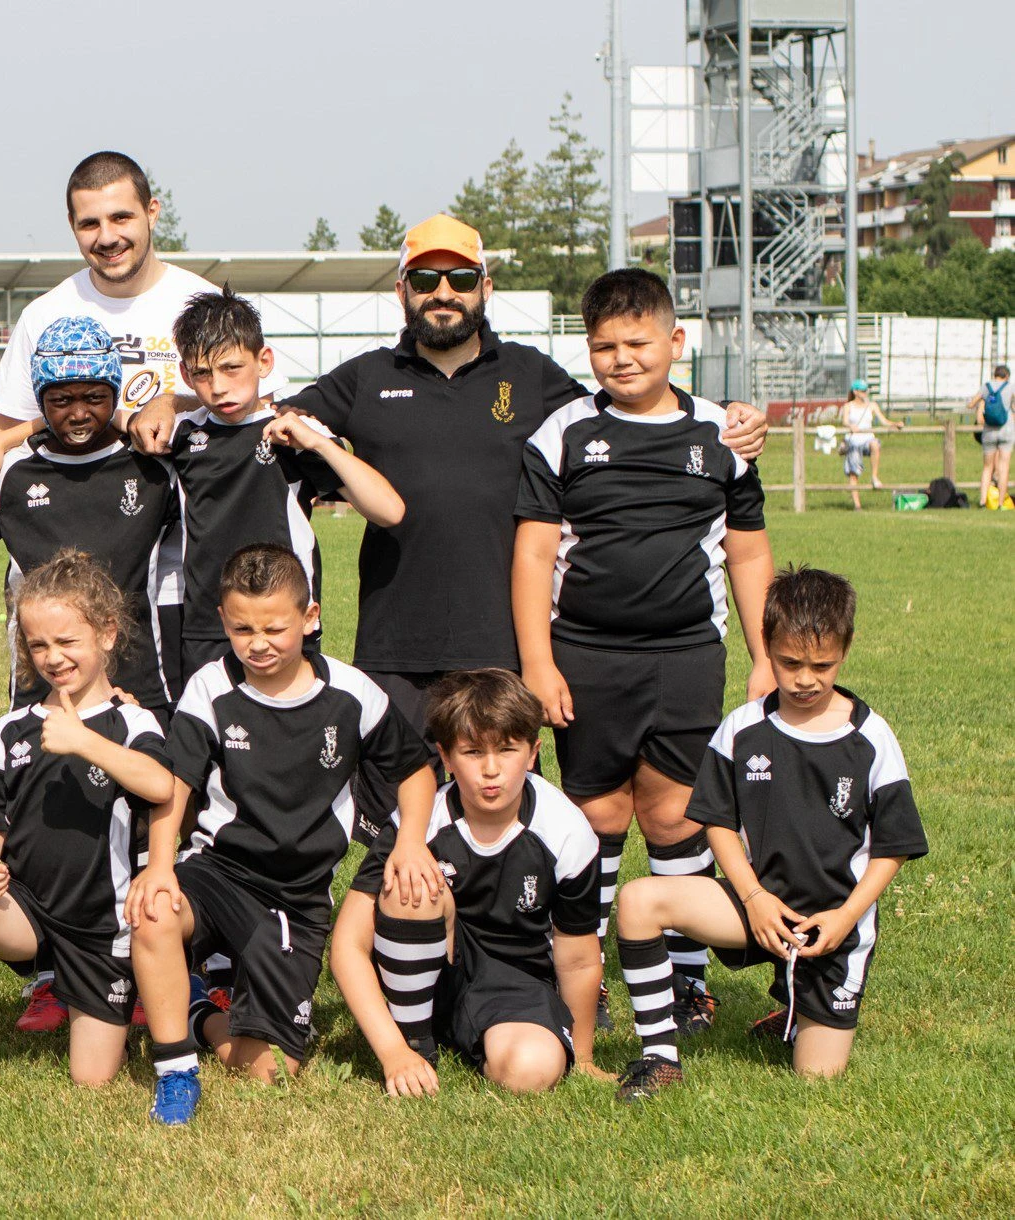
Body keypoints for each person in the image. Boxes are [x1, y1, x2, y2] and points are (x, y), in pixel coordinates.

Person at [128, 214, 769, 735]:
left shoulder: (530, 373)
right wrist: (168, 402)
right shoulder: (366, 377)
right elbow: (252, 408)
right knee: (402, 819)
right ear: (401, 290)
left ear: (484, 287)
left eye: (460, 278)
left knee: (494, 806)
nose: (443, 292)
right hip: (395, 645)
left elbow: (624, 409)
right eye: (425, 278)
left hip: (502, 643)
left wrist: (724, 414)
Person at [515, 268, 774, 1036]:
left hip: (686, 655)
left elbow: (748, 553)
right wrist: (539, 663)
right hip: (585, 656)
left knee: (674, 815)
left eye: (638, 343)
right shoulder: (563, 434)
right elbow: (533, 556)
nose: (622, 359)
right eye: (604, 347)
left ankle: (687, 982)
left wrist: (763, 656)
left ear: (675, 341)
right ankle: (585, 975)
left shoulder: (722, 434)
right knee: (595, 814)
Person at [0, 552, 193, 1123]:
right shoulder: (12, 729)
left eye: (67, 641)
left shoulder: (133, 723)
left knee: (91, 1079)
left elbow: (160, 785)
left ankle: (129, 995)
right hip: (27, 910)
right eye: (37, 645)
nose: (53, 657)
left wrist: (84, 741)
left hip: (101, 925)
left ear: (107, 633)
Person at [613, 567, 925, 1101]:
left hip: (831, 926)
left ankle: (801, 1007)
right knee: (639, 901)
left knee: (816, 1081)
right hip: (756, 904)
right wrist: (754, 898)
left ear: (845, 651)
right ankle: (660, 1059)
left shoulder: (871, 738)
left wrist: (845, 916)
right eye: (789, 662)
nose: (805, 679)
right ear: (766, 647)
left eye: (821, 665)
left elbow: (892, 849)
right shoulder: (743, 728)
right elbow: (716, 821)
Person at [0, 153, 255, 691]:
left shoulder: (203, 303)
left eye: (121, 217)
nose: (107, 237)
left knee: (165, 719)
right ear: (72, 226)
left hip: (175, 578)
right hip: (57, 584)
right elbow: (7, 430)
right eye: (89, 223)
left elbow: (252, 409)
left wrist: (171, 400)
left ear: (152, 211)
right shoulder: (44, 313)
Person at [163, 544, 439, 1086]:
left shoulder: (351, 693)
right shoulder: (211, 686)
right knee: (156, 915)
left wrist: (410, 841)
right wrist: (156, 867)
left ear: (309, 617)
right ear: (222, 619)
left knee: (272, 1072)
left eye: (274, 629)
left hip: (298, 897)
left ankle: (198, 1010)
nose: (258, 643)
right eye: (242, 629)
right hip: (219, 871)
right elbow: (177, 784)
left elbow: (415, 771)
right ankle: (172, 1049)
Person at [333, 670, 603, 1096]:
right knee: (410, 883)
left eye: (507, 750)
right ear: (445, 757)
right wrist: (391, 1052)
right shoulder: (419, 822)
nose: (491, 770)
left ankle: (489, 1038)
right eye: (473, 752)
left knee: (530, 1071)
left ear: (533, 753)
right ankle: (414, 1045)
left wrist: (582, 1057)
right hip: (431, 977)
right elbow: (349, 944)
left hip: (515, 986)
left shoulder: (566, 830)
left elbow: (579, 960)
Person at [165, 290, 406, 678]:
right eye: (202, 373)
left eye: (231, 368)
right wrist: (158, 405)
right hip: (207, 626)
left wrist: (318, 444)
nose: (218, 386)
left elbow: (389, 511)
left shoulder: (294, 432)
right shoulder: (179, 435)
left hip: (286, 625)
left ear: (264, 361)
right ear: (185, 374)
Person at [0, 317, 182, 715]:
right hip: (42, 690)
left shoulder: (155, 466)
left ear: (114, 394)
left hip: (140, 682)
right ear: (40, 400)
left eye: (94, 397)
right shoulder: (9, 473)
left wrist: (166, 403)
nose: (78, 413)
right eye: (61, 401)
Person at [836, 382, 901, 511]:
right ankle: (857, 505)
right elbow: (845, 421)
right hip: (854, 441)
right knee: (853, 474)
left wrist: (895, 424)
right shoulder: (848, 406)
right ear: (855, 392)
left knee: (875, 444)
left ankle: (874, 476)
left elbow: (883, 421)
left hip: (867, 439)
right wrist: (851, 426)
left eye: (866, 390)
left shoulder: (872, 405)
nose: (865, 393)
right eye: (862, 390)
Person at [972, 364, 1012, 509]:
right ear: (1007, 376)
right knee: (1003, 467)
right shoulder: (1010, 387)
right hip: (1006, 431)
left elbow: (971, 404)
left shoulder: (986, 387)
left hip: (989, 432)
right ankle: (1000, 503)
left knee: (987, 467)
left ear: (994, 375)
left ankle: (983, 501)